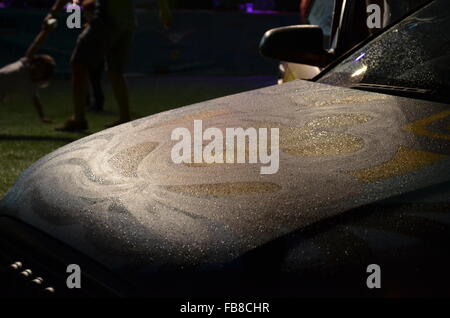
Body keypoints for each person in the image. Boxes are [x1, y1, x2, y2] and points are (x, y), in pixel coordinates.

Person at [45, 0, 173, 131]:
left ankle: (79, 118)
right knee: (115, 70)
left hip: (107, 21)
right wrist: (164, 9)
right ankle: (125, 116)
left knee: (79, 63)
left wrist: (52, 13)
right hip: (127, 23)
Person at [0, 21, 56, 123]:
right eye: (38, 65)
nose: (37, 68)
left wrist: (42, 117)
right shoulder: (26, 63)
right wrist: (45, 31)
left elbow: (36, 101)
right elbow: (36, 44)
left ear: (44, 75)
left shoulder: (31, 84)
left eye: (41, 69)